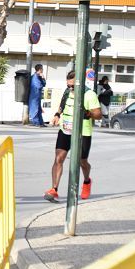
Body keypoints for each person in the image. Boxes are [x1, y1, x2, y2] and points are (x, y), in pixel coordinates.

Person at [44, 70, 103, 203]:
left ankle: (87, 181)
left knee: (82, 162)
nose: (70, 88)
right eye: (68, 85)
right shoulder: (67, 91)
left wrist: (87, 113)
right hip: (65, 130)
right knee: (59, 159)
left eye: (72, 86)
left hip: (83, 133)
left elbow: (99, 115)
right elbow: (62, 104)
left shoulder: (89, 95)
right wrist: (57, 115)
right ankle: (54, 190)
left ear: (80, 83)